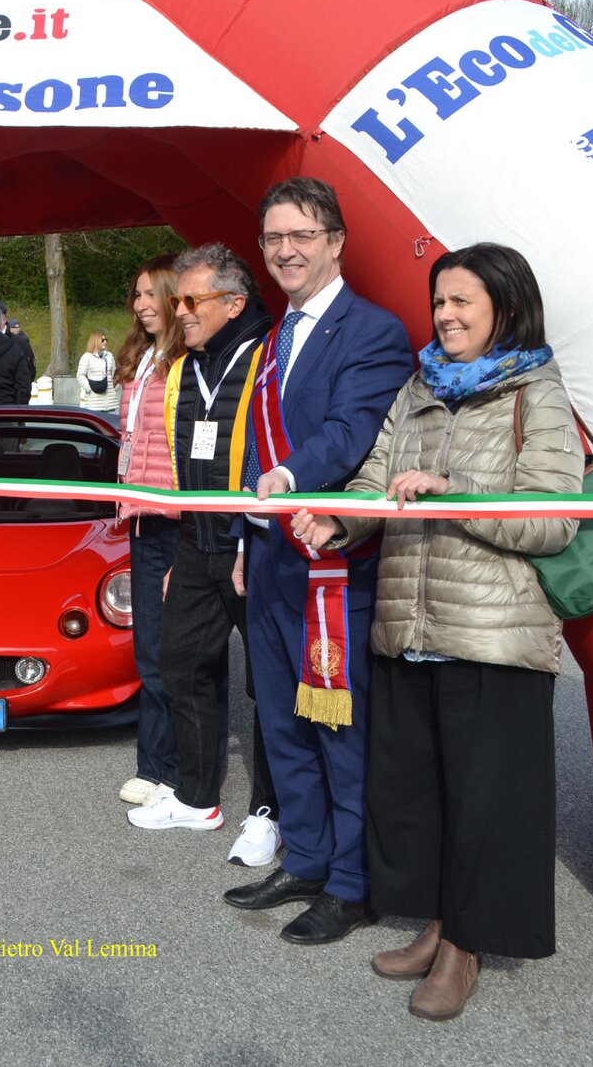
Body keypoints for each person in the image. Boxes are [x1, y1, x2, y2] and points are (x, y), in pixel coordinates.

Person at [290, 242, 580, 1020]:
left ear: (506, 309)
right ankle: (442, 923)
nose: (445, 316)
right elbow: (376, 479)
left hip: (493, 635)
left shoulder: (538, 393)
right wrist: (340, 522)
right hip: (408, 625)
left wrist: (452, 491)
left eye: (461, 303)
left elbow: (554, 520)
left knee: (487, 803)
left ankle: (467, 947)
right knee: (422, 793)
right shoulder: (419, 386)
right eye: (439, 302)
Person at [221, 177, 413, 944]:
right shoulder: (274, 338)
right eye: (273, 238)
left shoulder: (374, 331)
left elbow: (351, 430)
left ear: (336, 241)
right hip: (271, 560)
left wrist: (292, 473)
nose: (286, 250)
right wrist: (245, 538)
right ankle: (305, 857)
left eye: (301, 234)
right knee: (282, 726)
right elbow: (252, 448)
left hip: (333, 563)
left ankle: (352, 883)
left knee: (340, 732)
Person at [125, 244, 281, 869]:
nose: (180, 310)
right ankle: (196, 797)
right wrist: (180, 551)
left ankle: (269, 811)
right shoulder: (186, 366)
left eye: (192, 300)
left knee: (269, 684)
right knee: (180, 661)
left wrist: (246, 536)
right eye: (178, 299)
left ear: (233, 303)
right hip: (195, 541)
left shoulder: (269, 356)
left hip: (254, 544)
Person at [114, 255, 188, 813]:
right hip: (140, 517)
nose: (140, 305)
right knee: (149, 649)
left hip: (176, 520)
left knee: (174, 651)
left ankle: (175, 770)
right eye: (135, 296)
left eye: (149, 294)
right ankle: (154, 764)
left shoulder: (187, 361)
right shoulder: (140, 358)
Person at [75, 330, 119, 419]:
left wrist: (114, 388)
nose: (105, 342)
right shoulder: (87, 357)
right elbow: (80, 375)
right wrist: (89, 389)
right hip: (94, 404)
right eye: (102, 340)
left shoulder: (109, 356)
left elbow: (114, 374)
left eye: (106, 340)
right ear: (95, 341)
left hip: (110, 403)